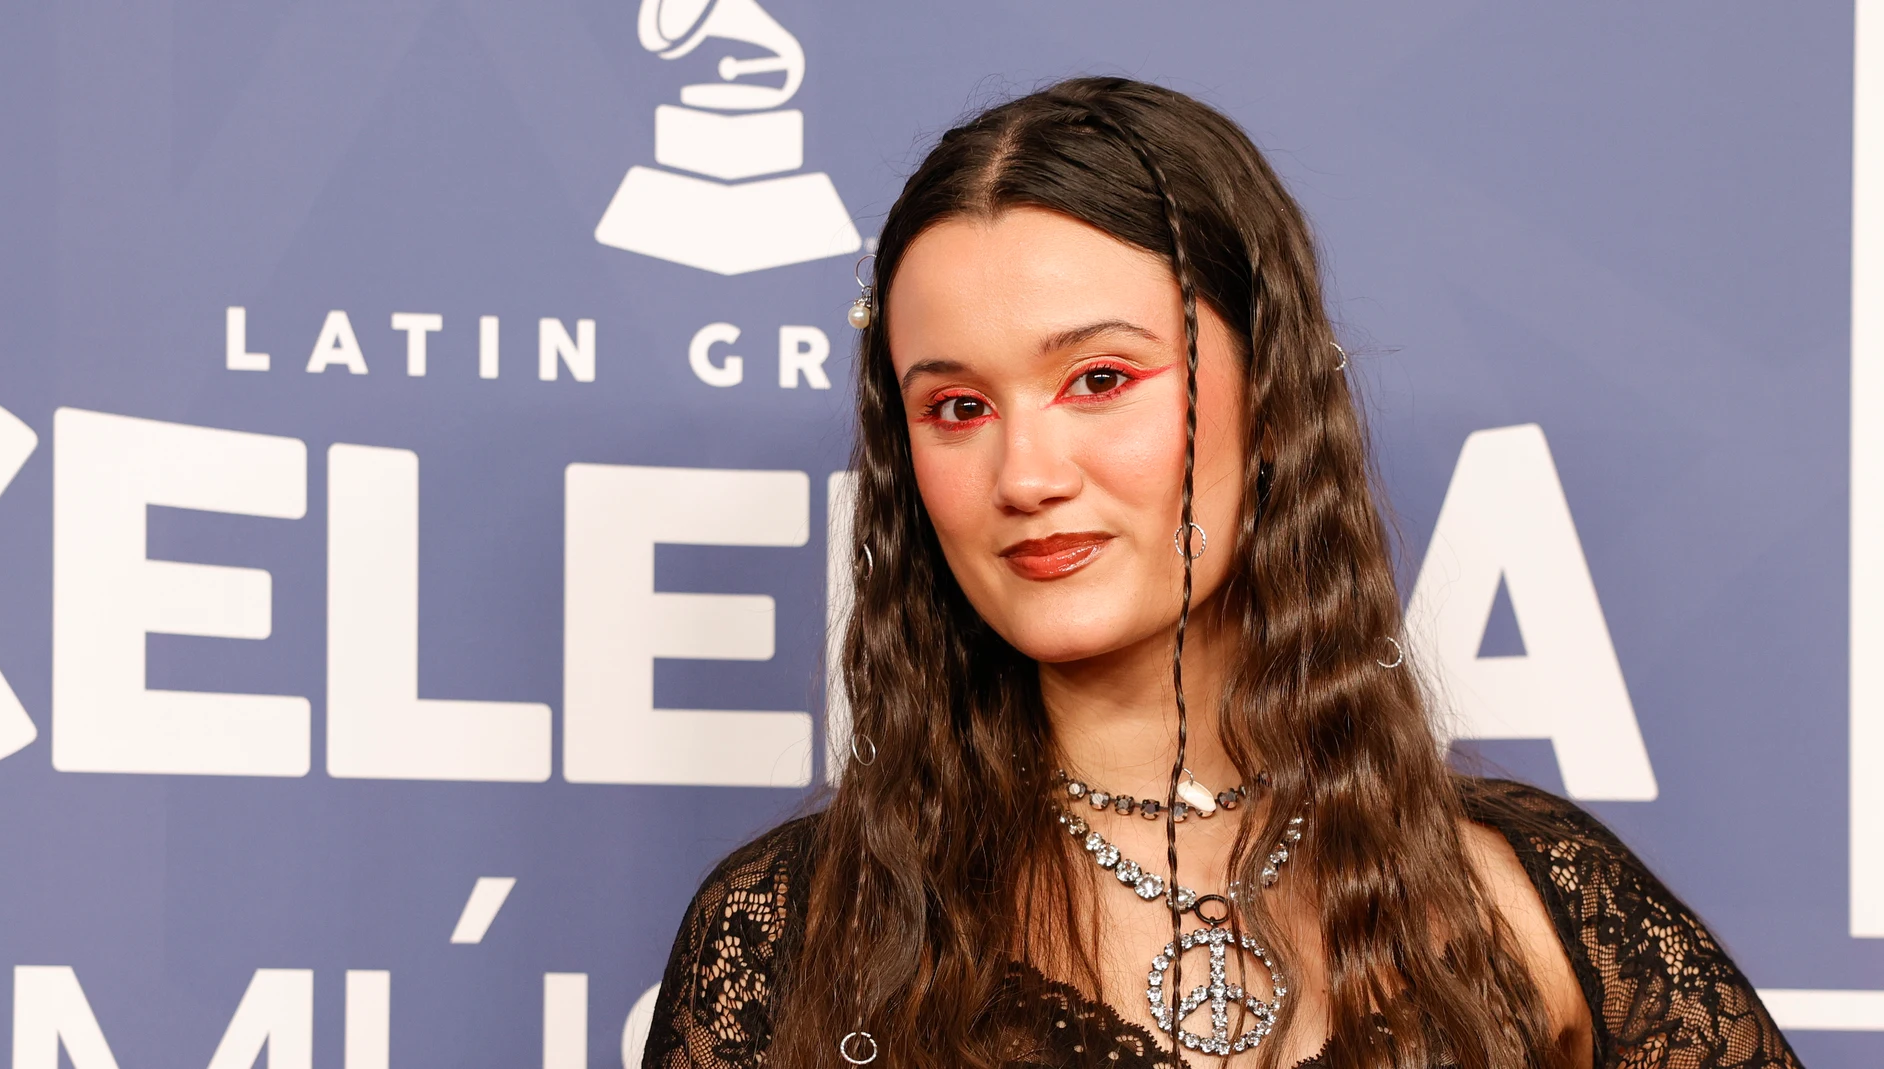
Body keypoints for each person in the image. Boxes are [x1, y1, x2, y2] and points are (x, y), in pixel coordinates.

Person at [640, 77, 1801, 1069]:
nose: (1025, 473)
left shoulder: (1521, 901)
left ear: (1274, 395)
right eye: (955, 406)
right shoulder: (797, 937)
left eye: (1100, 380)